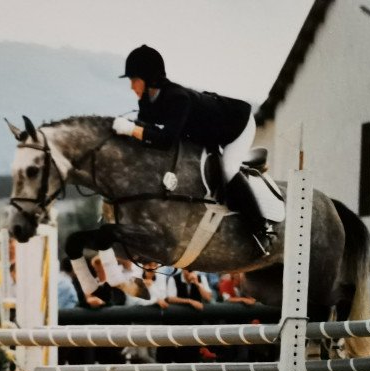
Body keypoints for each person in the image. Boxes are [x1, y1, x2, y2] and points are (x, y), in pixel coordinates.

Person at [113, 44, 276, 254]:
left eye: (134, 80)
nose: (131, 86)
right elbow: (148, 138)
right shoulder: (148, 103)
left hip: (237, 125)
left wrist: (132, 129)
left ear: (149, 78)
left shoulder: (176, 98)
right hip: (209, 134)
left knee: (228, 169)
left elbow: (165, 141)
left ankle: (261, 228)